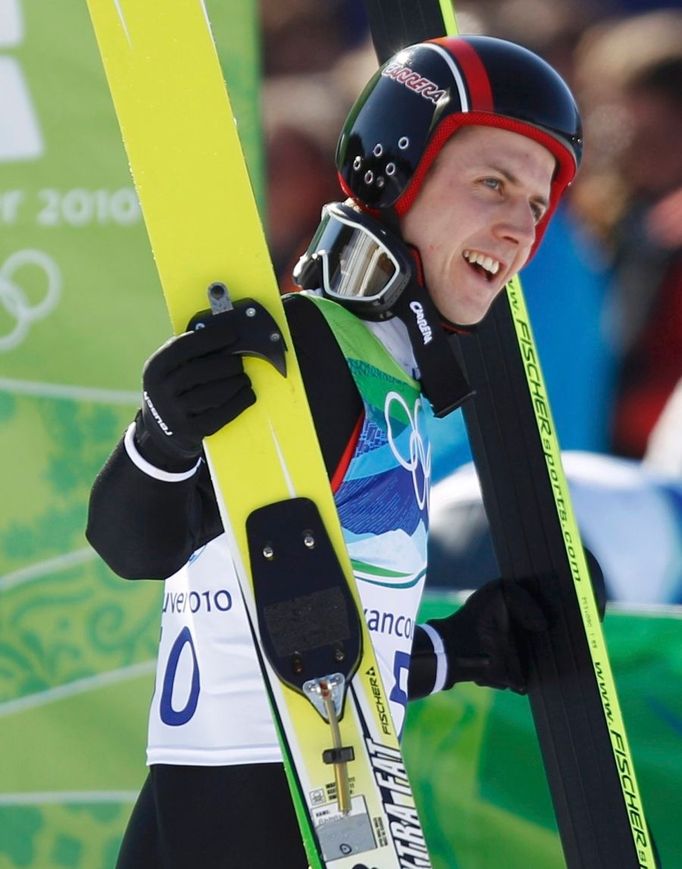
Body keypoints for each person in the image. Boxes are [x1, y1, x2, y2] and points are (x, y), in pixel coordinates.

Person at [87, 35, 583, 869]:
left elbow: (296, 625)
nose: (519, 225)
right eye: (493, 183)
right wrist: (161, 432)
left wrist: (452, 650)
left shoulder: (391, 379)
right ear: (399, 173)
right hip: (250, 821)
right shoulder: (316, 345)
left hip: (272, 817)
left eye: (537, 205)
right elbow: (135, 542)